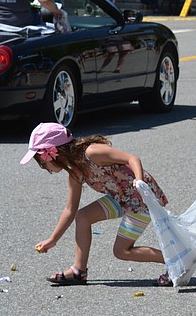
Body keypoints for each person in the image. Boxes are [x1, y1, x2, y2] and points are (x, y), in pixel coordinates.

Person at [22, 123, 172, 287]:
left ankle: (175, 260)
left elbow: (132, 158)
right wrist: (53, 239)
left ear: (53, 153)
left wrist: (139, 180)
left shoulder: (91, 152)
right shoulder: (75, 172)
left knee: (121, 251)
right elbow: (70, 210)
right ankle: (79, 271)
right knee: (83, 216)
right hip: (121, 197)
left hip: (141, 199)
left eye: (42, 162)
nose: (43, 167)